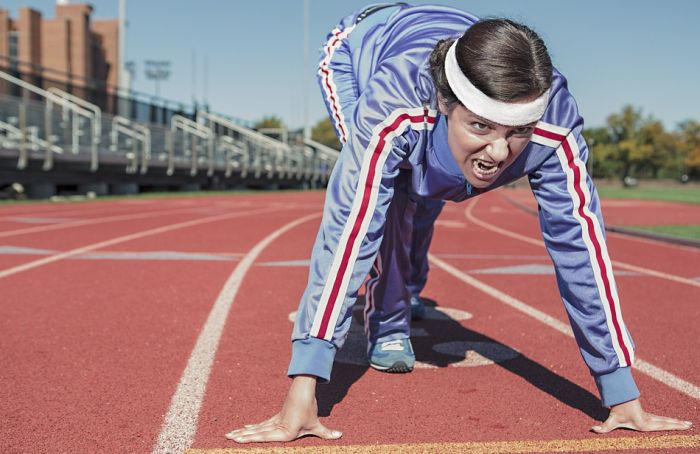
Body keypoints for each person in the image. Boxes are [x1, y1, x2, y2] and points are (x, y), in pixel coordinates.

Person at [227, 3, 692, 443]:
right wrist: (304, 387)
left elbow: (582, 250)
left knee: (431, 191)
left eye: (518, 133)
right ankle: (388, 322)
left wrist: (621, 391)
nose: (498, 153)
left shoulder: (556, 125)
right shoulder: (394, 105)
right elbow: (349, 230)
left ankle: (409, 284)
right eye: (482, 128)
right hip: (359, 49)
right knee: (389, 198)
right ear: (448, 104)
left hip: (448, 48)